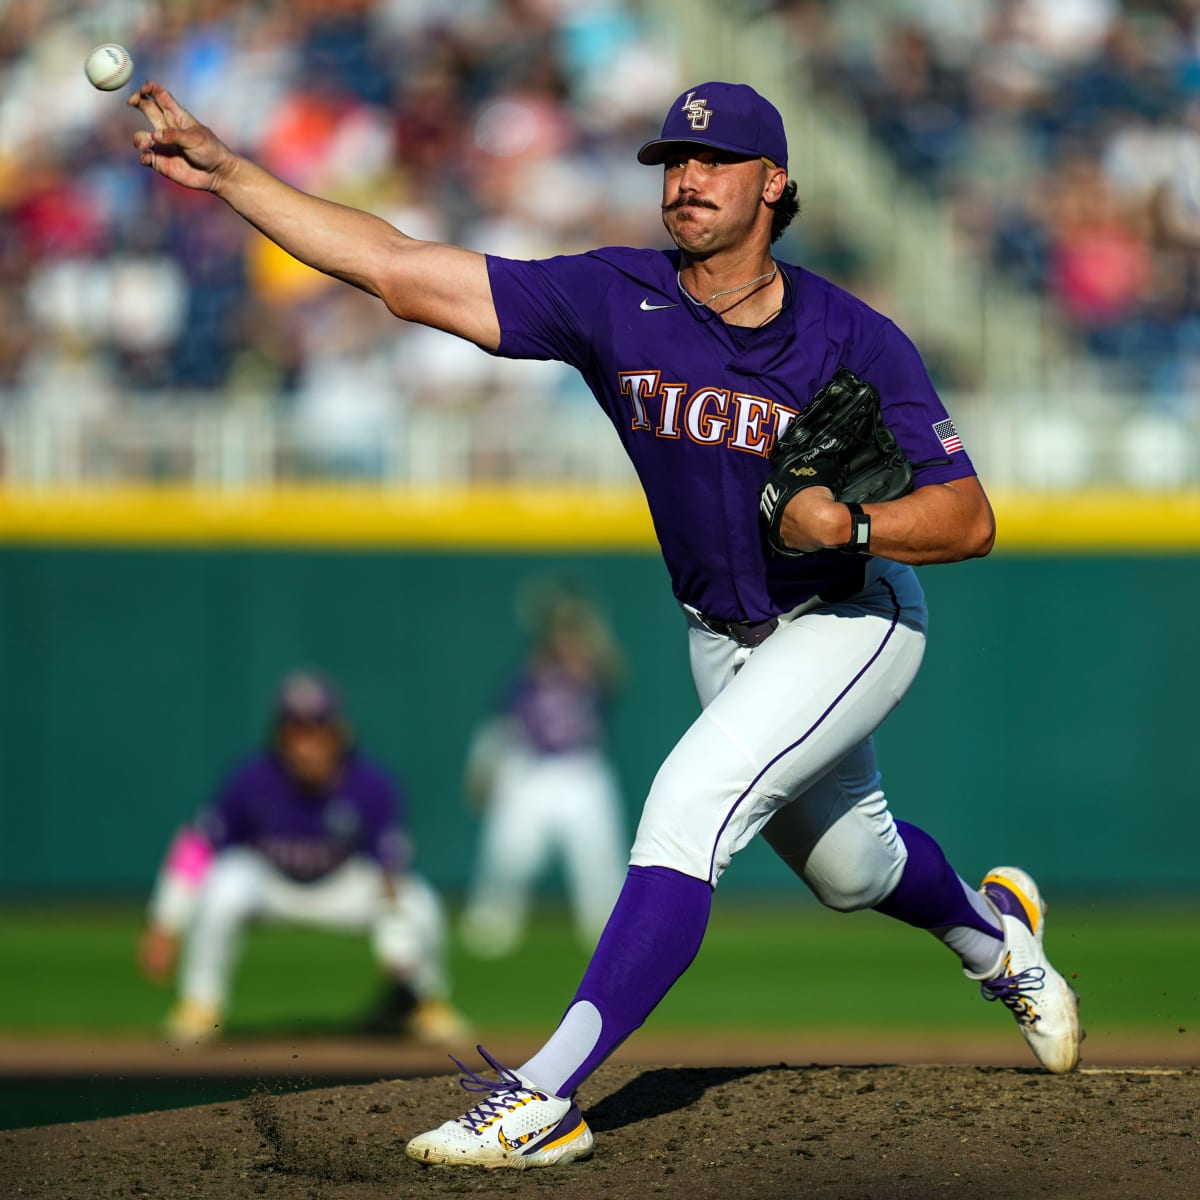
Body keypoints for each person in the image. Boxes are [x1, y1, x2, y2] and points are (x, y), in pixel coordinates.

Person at [129, 78, 1081, 1166]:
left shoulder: (854, 336)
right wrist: (234, 176)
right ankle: (999, 941)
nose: (686, 178)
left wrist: (850, 523)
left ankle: (544, 1096)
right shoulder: (613, 298)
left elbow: (970, 519)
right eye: (672, 159)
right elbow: (398, 271)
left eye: (714, 161)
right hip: (723, 634)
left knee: (686, 809)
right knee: (851, 872)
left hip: (849, 615)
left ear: (775, 184)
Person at [137, 670, 469, 1048]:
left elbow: (389, 868)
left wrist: (397, 937)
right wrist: (166, 920)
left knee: (419, 901)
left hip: (341, 886)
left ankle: (424, 1001)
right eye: (294, 731)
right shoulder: (253, 778)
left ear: (338, 734)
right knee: (224, 884)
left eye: (315, 731)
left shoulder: (371, 784)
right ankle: (200, 1004)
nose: (303, 745)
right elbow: (199, 844)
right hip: (272, 885)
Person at [458, 579, 628, 958]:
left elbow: (615, 672)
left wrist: (591, 630)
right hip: (532, 772)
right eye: (561, 631)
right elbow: (500, 725)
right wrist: (483, 770)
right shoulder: (526, 673)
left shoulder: (591, 669)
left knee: (599, 863)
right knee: (509, 855)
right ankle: (493, 924)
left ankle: (607, 934)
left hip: (582, 772)